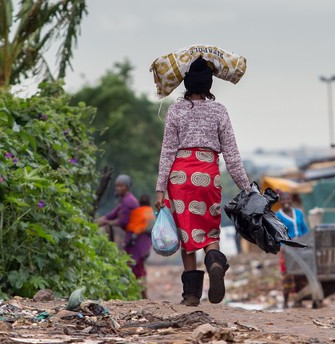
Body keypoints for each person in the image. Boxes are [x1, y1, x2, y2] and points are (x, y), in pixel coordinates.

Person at [155, 56, 251, 307]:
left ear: (186, 84)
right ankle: (216, 263)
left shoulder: (176, 110)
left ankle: (191, 295)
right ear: (209, 85)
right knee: (208, 231)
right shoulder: (219, 111)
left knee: (188, 235)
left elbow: (167, 151)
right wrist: (247, 188)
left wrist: (160, 189)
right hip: (207, 175)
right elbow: (231, 155)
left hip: (180, 177)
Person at [97, 175, 152, 297]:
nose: (117, 188)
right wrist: (102, 219)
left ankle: (144, 296)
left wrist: (105, 222)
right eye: (116, 185)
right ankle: (139, 295)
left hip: (137, 240)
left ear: (126, 187)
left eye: (120, 186)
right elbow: (113, 214)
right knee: (135, 267)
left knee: (137, 268)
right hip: (134, 239)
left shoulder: (128, 201)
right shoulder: (125, 200)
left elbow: (123, 221)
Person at [275, 190, 310, 307]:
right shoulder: (277, 216)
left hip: (300, 246)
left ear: (291, 200)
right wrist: (282, 246)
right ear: (280, 201)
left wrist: (307, 242)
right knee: (288, 274)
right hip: (288, 248)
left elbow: (305, 229)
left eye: (288, 199)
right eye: (283, 200)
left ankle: (300, 300)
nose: (286, 202)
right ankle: (285, 302)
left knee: (302, 272)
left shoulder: (298, 213)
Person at [126, 194, 155, 298]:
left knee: (136, 269)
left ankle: (141, 293)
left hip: (136, 245)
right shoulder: (150, 212)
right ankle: (142, 294)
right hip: (145, 246)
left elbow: (136, 228)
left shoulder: (137, 212)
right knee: (140, 269)